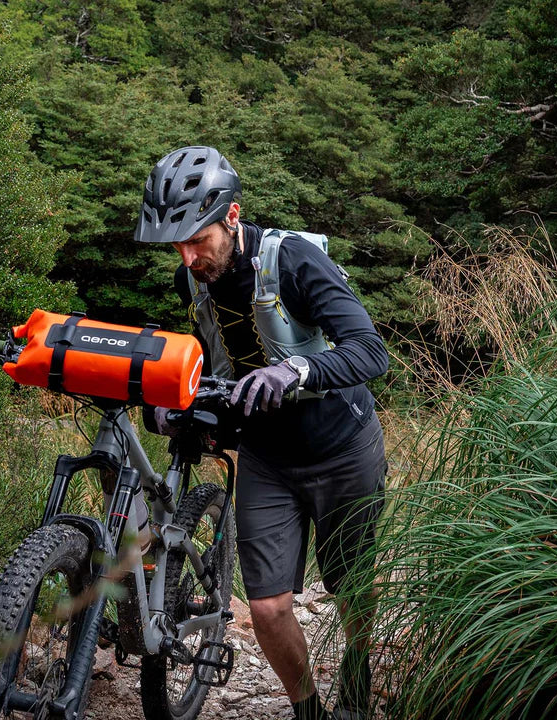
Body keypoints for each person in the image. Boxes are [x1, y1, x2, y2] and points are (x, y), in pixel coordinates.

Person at [135, 146, 388, 720]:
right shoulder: (192, 280)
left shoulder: (293, 260)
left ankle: (358, 673)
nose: (188, 257)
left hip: (342, 446)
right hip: (266, 457)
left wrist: (295, 370)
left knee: (350, 584)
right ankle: (309, 711)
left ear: (232, 215)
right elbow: (216, 362)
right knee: (269, 607)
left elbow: (371, 352)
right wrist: (180, 401)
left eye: (197, 240)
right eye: (176, 245)